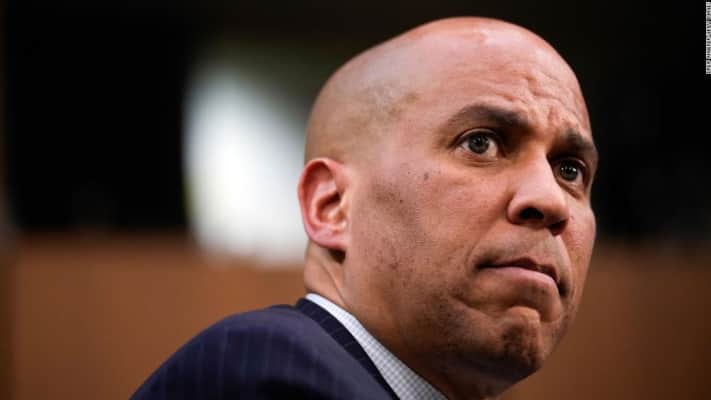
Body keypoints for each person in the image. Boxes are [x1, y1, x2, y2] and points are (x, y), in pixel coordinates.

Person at [133, 16, 598, 400]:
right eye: (481, 143)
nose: (550, 199)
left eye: (570, 170)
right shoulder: (267, 375)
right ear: (332, 205)